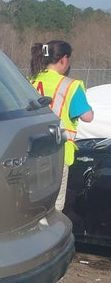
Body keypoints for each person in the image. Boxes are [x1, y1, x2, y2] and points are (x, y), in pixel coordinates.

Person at [29, 40, 94, 210]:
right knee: (54, 206)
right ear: (64, 59)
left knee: (31, 203)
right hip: (58, 152)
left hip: (30, 151)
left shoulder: (29, 81)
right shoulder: (70, 85)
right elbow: (87, 117)